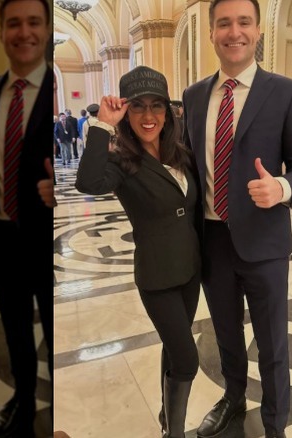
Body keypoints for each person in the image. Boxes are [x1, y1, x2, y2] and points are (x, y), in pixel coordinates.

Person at [182, 1, 292, 437]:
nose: (233, 31)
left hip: (264, 241)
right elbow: (187, 167)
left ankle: (276, 423)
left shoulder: (286, 91)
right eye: (224, 23)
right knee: (225, 334)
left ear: (258, 32)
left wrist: (282, 188)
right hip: (212, 240)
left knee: (273, 343)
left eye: (243, 22)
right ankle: (233, 398)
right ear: (212, 33)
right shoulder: (194, 95)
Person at [76, 65, 201, 438]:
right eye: (139, 107)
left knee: (174, 349)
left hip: (190, 270)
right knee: (188, 360)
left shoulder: (180, 154)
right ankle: (175, 434)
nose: (149, 117)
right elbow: (88, 182)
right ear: (127, 113)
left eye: (157, 106)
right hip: (158, 276)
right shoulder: (121, 160)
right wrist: (103, 125)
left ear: (168, 110)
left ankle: (167, 420)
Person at [0, 0, 54, 436]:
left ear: (46, 28)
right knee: (17, 330)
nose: (24, 32)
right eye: (14, 23)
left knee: (55, 329)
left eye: (34, 22)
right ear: (1, 32)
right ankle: (23, 400)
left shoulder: (56, 88)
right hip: (0, 238)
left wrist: (59, 184)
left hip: (47, 239)